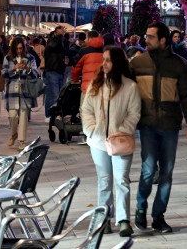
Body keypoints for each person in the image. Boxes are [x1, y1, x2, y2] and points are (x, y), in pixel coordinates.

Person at [130, 22, 187, 234]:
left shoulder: (180, 65)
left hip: (169, 124)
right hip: (147, 124)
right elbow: (126, 91)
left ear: (162, 40)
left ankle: (158, 216)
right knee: (149, 170)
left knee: (167, 173)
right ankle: (141, 207)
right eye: (146, 36)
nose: (146, 40)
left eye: (150, 37)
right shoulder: (137, 63)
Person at [80, 46, 141, 238]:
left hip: (120, 141)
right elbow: (86, 109)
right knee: (104, 180)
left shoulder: (129, 86)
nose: (104, 63)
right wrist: (91, 129)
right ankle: (104, 218)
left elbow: (134, 113)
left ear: (117, 63)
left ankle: (123, 220)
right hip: (98, 141)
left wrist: (121, 130)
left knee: (122, 180)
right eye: (103, 59)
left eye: (108, 60)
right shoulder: (97, 84)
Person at [2, 37, 40, 150]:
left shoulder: (30, 58)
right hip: (12, 91)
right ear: (13, 48)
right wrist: (13, 69)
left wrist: (28, 69)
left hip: (26, 91)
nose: (19, 50)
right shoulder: (8, 58)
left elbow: (36, 74)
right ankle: (14, 134)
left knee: (23, 116)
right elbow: (3, 74)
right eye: (17, 48)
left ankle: (22, 140)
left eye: (21, 48)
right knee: (12, 116)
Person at [43, 26, 68, 123]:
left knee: (59, 95)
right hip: (52, 70)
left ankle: (57, 115)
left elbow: (64, 49)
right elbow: (54, 45)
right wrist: (59, 35)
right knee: (53, 95)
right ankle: (49, 115)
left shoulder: (61, 42)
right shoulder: (51, 41)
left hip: (60, 70)